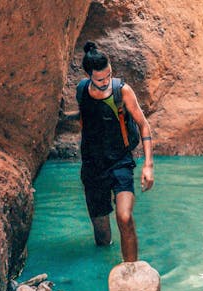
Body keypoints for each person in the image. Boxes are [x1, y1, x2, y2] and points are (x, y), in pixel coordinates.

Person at [64, 41, 154, 262]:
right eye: (99, 79)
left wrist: (148, 165)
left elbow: (143, 124)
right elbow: (88, 117)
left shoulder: (121, 90)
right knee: (102, 237)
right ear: (89, 76)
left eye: (108, 76)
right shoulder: (81, 90)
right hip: (93, 167)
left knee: (124, 217)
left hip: (120, 162)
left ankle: (132, 272)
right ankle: (103, 276)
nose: (105, 82)